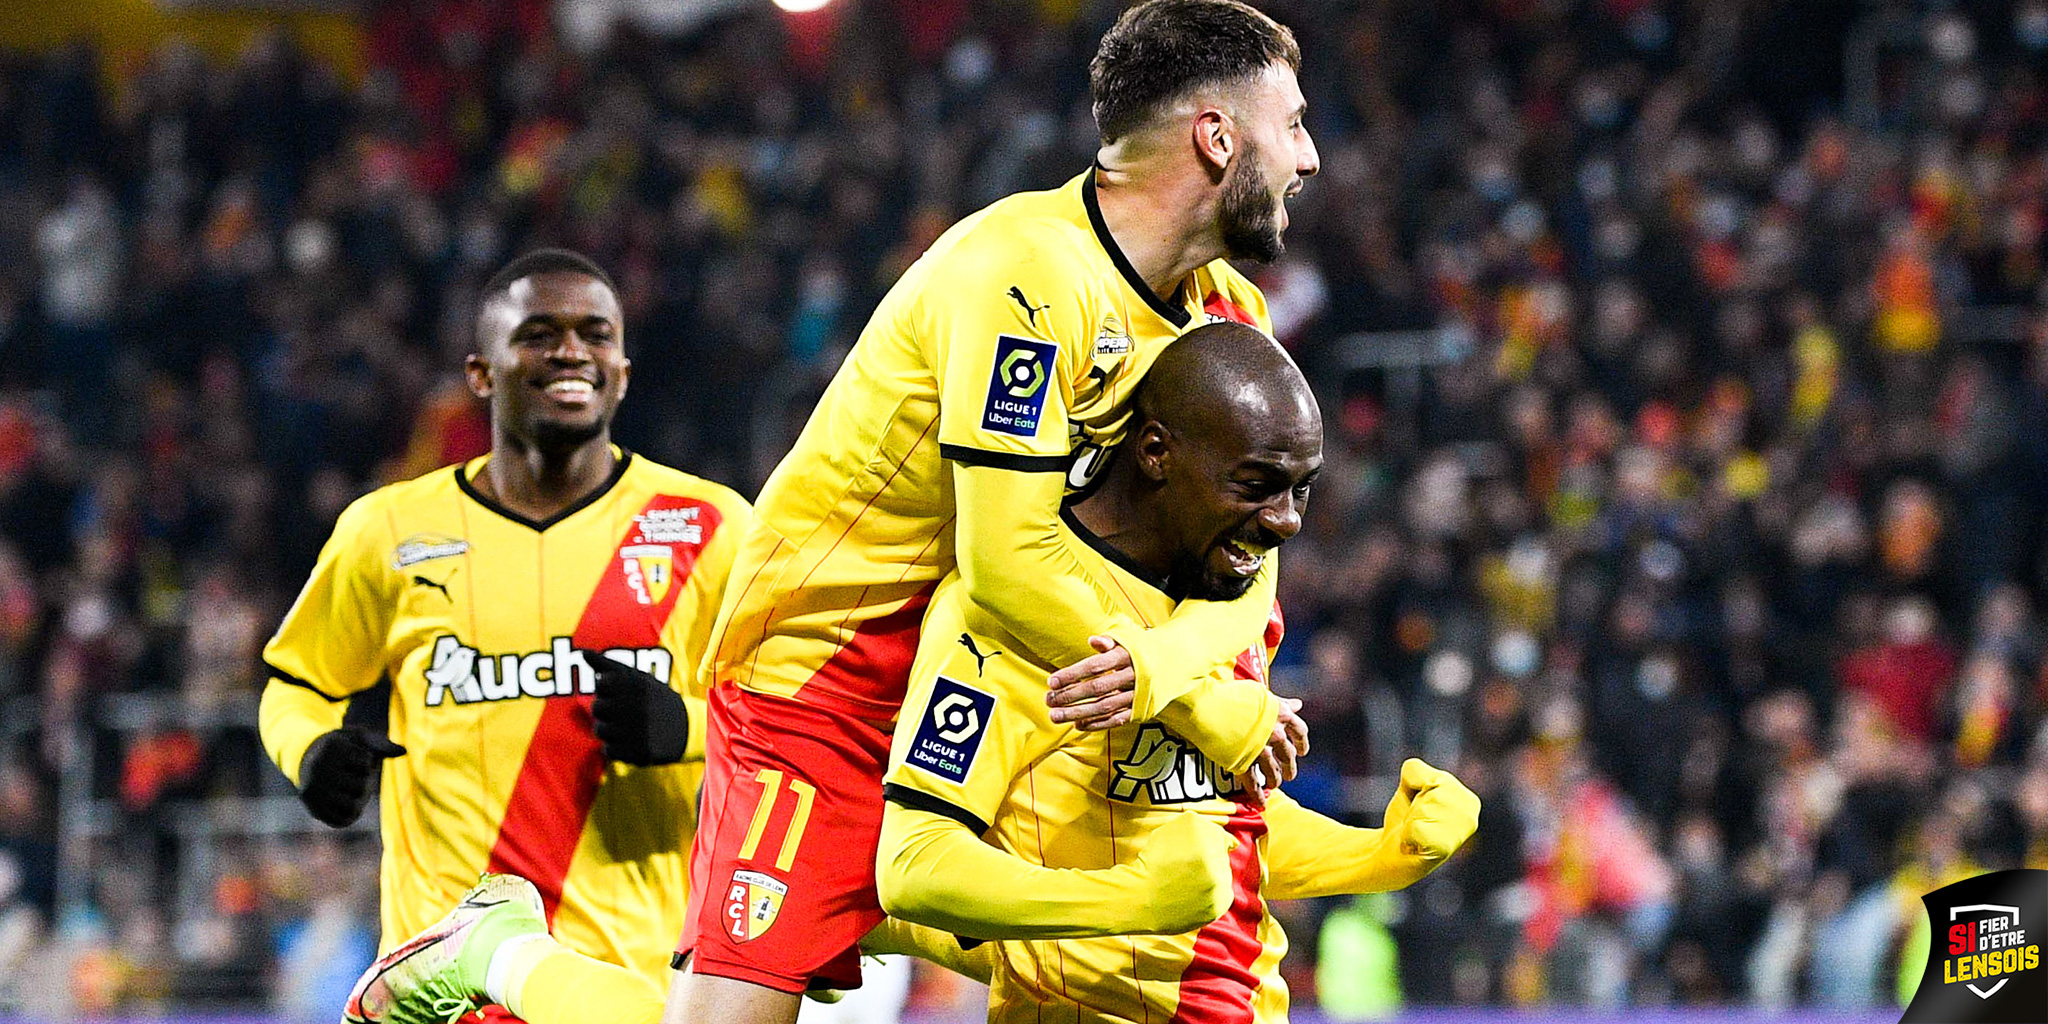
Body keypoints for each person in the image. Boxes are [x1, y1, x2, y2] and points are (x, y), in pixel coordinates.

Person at [672, 4, 1322, 1021]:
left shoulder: (1231, 316)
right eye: (1293, 124)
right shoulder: (1026, 274)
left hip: (1012, 678)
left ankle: (881, 912)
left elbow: (1247, 562)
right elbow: (1006, 560)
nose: (1310, 157)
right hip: (832, 682)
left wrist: (1176, 675)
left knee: (1132, 975)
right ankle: (510, 962)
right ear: (1216, 137)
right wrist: (1195, 702)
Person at [875, 322, 1483, 1023]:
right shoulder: (1003, 622)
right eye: (1256, 485)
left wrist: (1380, 854)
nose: (1286, 521)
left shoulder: (1223, 605)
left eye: (1301, 490)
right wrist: (1125, 902)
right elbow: (915, 866)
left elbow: (1220, 826)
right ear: (1156, 453)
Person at [258, 249, 754, 1024]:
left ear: (623, 371)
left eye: (595, 334)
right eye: (539, 334)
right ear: (481, 374)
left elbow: (789, 717)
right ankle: (472, 948)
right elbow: (297, 685)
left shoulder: (710, 526)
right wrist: (310, 751)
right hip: (443, 999)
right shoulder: (387, 530)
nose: (571, 351)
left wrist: (689, 727)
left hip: (627, 984)